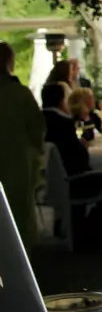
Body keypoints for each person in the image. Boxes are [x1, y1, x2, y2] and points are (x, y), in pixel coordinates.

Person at [0, 41, 45, 249]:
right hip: (17, 164)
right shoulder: (20, 94)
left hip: (17, 161)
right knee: (19, 215)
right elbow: (38, 129)